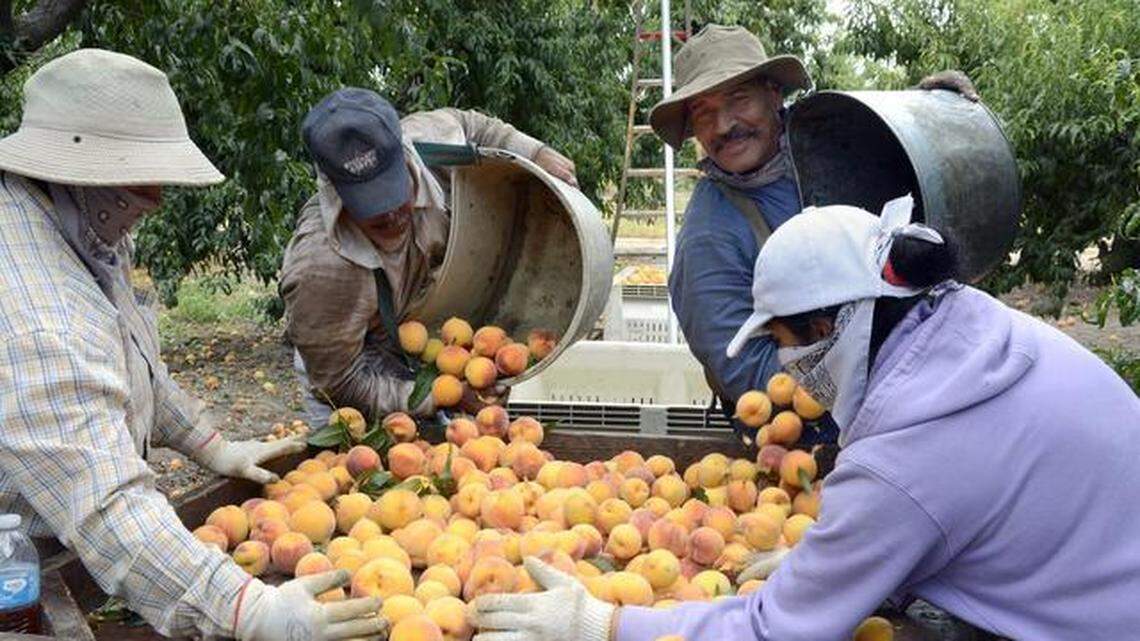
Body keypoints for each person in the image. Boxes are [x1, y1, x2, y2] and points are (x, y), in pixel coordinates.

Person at [468, 196, 1140, 640]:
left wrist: (603, 621)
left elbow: (777, 632)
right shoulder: (978, 329)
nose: (788, 367)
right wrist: (847, 559)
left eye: (785, 343)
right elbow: (983, 503)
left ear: (826, 326)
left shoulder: (902, 460)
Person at [0, 50, 384, 640]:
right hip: (15, 562)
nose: (154, 199)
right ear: (85, 174)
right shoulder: (41, 312)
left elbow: (133, 360)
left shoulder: (76, 219)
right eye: (140, 181)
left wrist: (212, 445)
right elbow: (105, 507)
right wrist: (244, 610)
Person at [651, 24, 978, 441]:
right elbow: (748, 374)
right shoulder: (710, 233)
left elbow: (920, 197)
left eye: (738, 99)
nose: (724, 125)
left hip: (918, 385)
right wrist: (875, 369)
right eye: (703, 113)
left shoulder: (835, 151)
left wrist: (935, 120)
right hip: (816, 434)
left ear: (774, 94)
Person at [280, 88, 578, 425]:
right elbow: (341, 382)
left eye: (395, 191)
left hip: (421, 332)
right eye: (371, 204)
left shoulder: (428, 140)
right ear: (335, 190)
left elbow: (472, 126)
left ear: (404, 153)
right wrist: (440, 396)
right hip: (359, 369)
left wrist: (535, 152)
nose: (391, 215)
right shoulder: (321, 269)